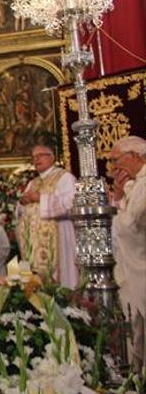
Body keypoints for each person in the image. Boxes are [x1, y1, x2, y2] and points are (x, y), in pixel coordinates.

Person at [15, 144, 78, 288]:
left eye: (40, 155)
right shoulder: (33, 182)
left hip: (59, 236)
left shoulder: (65, 178)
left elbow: (71, 204)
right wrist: (22, 203)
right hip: (34, 243)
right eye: (34, 157)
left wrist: (40, 198)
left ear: (52, 157)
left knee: (62, 279)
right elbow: (21, 210)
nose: (36, 159)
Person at [108, 136, 146, 373]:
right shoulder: (136, 183)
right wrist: (121, 197)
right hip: (131, 268)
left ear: (134, 156)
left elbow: (131, 225)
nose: (113, 168)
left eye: (115, 160)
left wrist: (121, 197)